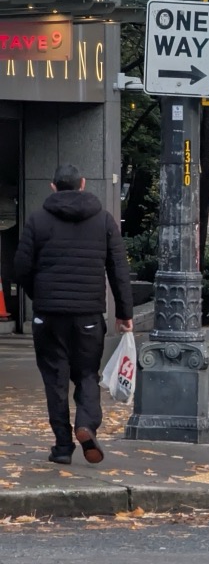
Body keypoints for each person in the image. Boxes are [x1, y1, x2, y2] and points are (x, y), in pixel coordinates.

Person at [13, 164, 133, 466]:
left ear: (53, 187)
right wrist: (124, 312)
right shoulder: (104, 220)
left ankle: (63, 446)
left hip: (48, 316)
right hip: (88, 315)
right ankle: (86, 424)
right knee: (87, 375)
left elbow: (21, 267)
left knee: (55, 380)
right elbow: (118, 270)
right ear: (82, 184)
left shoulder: (37, 220)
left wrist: (38, 296)